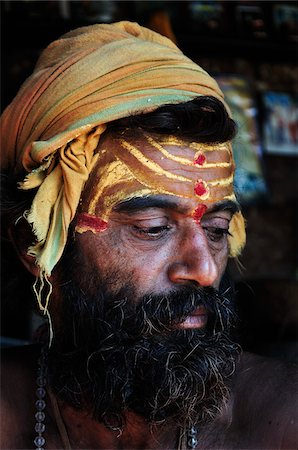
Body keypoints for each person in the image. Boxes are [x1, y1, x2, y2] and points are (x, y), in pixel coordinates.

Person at [0, 21, 296, 450]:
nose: (206, 269)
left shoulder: (285, 422)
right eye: (152, 228)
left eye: (216, 230)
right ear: (35, 244)